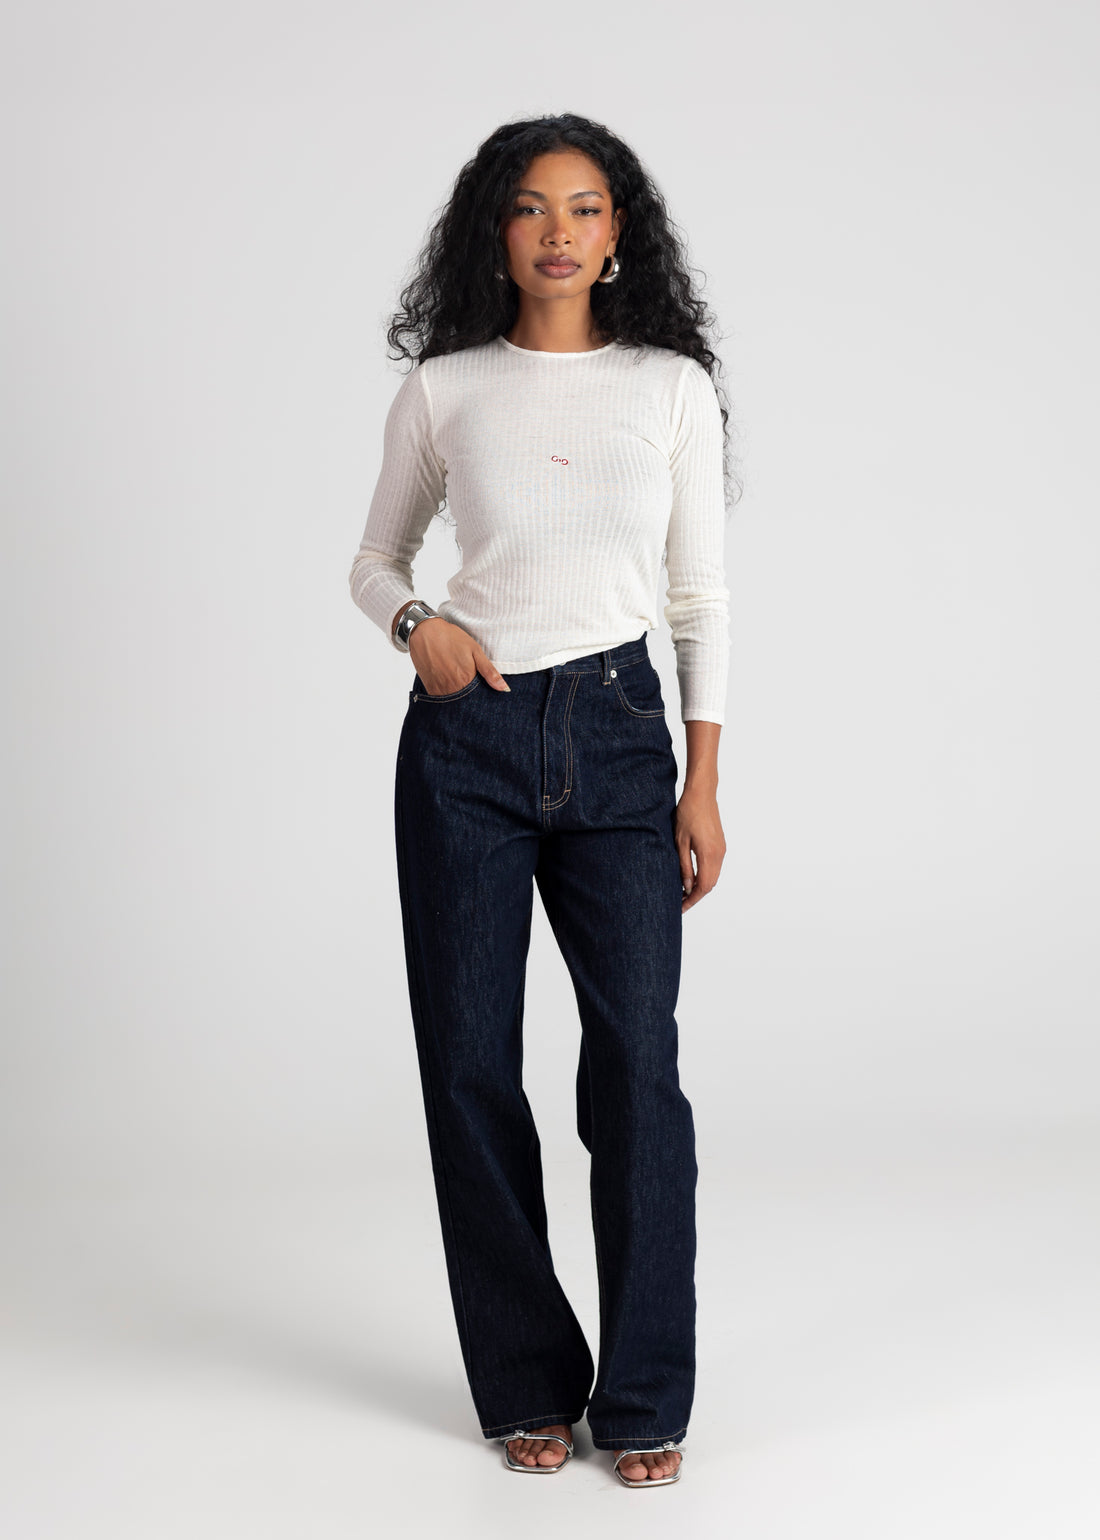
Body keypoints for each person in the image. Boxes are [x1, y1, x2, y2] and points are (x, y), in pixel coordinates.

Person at [348, 112, 734, 1488]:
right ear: (495, 233)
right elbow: (374, 559)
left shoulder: (669, 388)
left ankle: (644, 1398)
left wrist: (703, 776)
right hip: (469, 739)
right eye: (529, 207)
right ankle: (523, 1381)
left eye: (583, 207)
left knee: (636, 1070)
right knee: (468, 1064)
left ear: (620, 233)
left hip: (624, 739)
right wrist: (418, 629)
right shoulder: (446, 389)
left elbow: (699, 596)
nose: (557, 231)